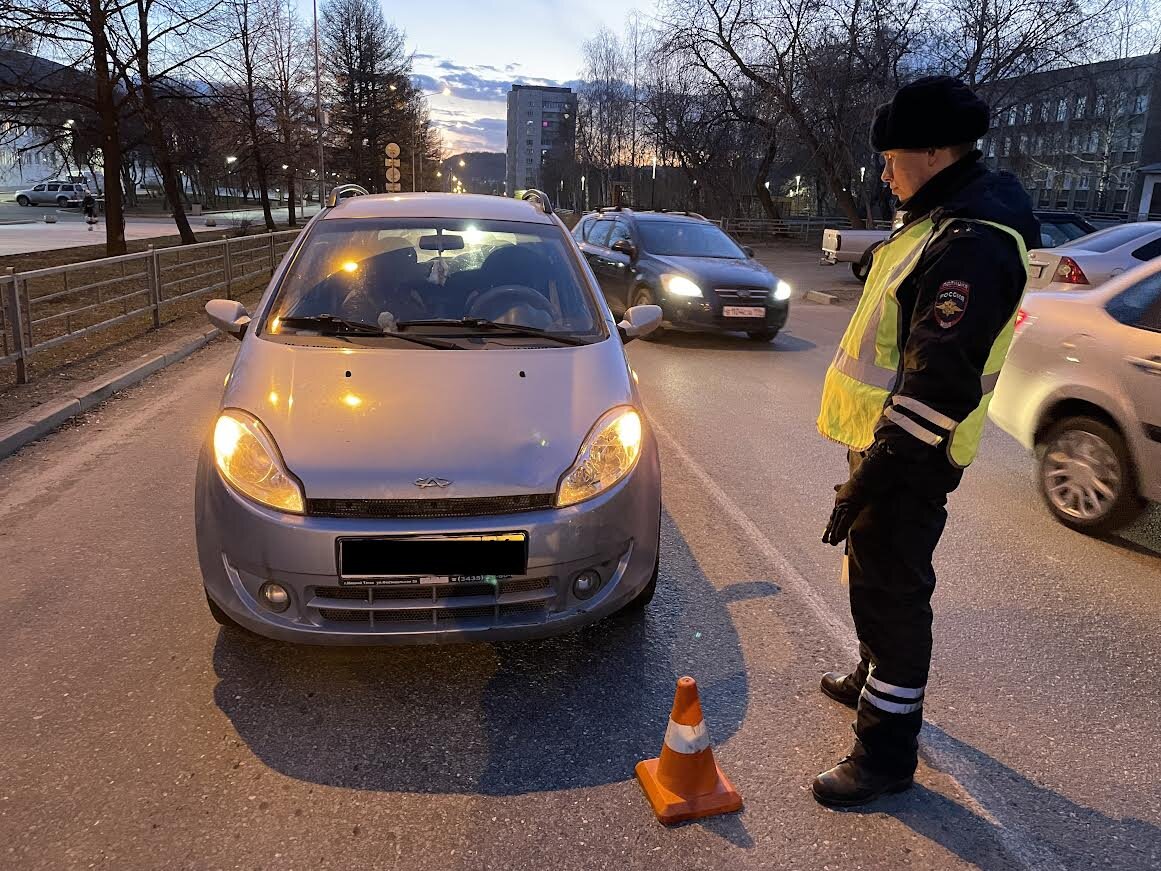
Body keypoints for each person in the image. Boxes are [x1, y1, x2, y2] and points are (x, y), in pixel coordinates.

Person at [812, 76, 1040, 807]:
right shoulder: (936, 219)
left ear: (936, 150)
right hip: (887, 443)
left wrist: (875, 469)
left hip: (912, 453)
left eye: (892, 156)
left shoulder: (970, 241)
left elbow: (936, 382)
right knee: (870, 575)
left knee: (893, 595)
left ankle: (884, 753)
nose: (884, 170)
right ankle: (869, 675)